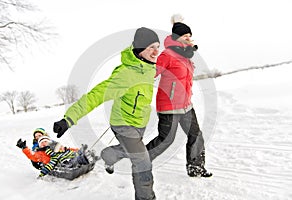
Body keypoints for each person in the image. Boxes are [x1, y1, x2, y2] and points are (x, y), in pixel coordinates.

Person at [52, 27, 160, 200]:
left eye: (158, 46)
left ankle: (107, 156)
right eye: (151, 47)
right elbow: (97, 95)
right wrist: (69, 118)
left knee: (129, 151)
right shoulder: (126, 74)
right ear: (140, 49)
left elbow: (172, 57)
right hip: (124, 124)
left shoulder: (149, 68)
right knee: (142, 160)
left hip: (140, 122)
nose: (156, 51)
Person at [146, 14, 212, 177]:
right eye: (186, 36)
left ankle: (196, 167)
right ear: (178, 38)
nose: (189, 38)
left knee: (196, 136)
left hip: (185, 105)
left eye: (190, 35)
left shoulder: (186, 56)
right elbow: (151, 73)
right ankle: (141, 159)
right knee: (166, 139)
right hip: (169, 105)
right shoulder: (167, 55)